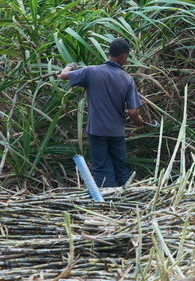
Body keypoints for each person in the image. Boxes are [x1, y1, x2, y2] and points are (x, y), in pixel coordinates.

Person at [59, 38, 144, 187]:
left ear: (109, 53)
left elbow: (63, 75)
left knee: (102, 169)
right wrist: (138, 122)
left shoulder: (91, 71)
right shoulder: (127, 79)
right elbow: (132, 111)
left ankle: (107, 203)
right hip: (116, 132)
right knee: (120, 167)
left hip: (97, 130)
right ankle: (125, 198)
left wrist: (69, 66)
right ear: (124, 56)